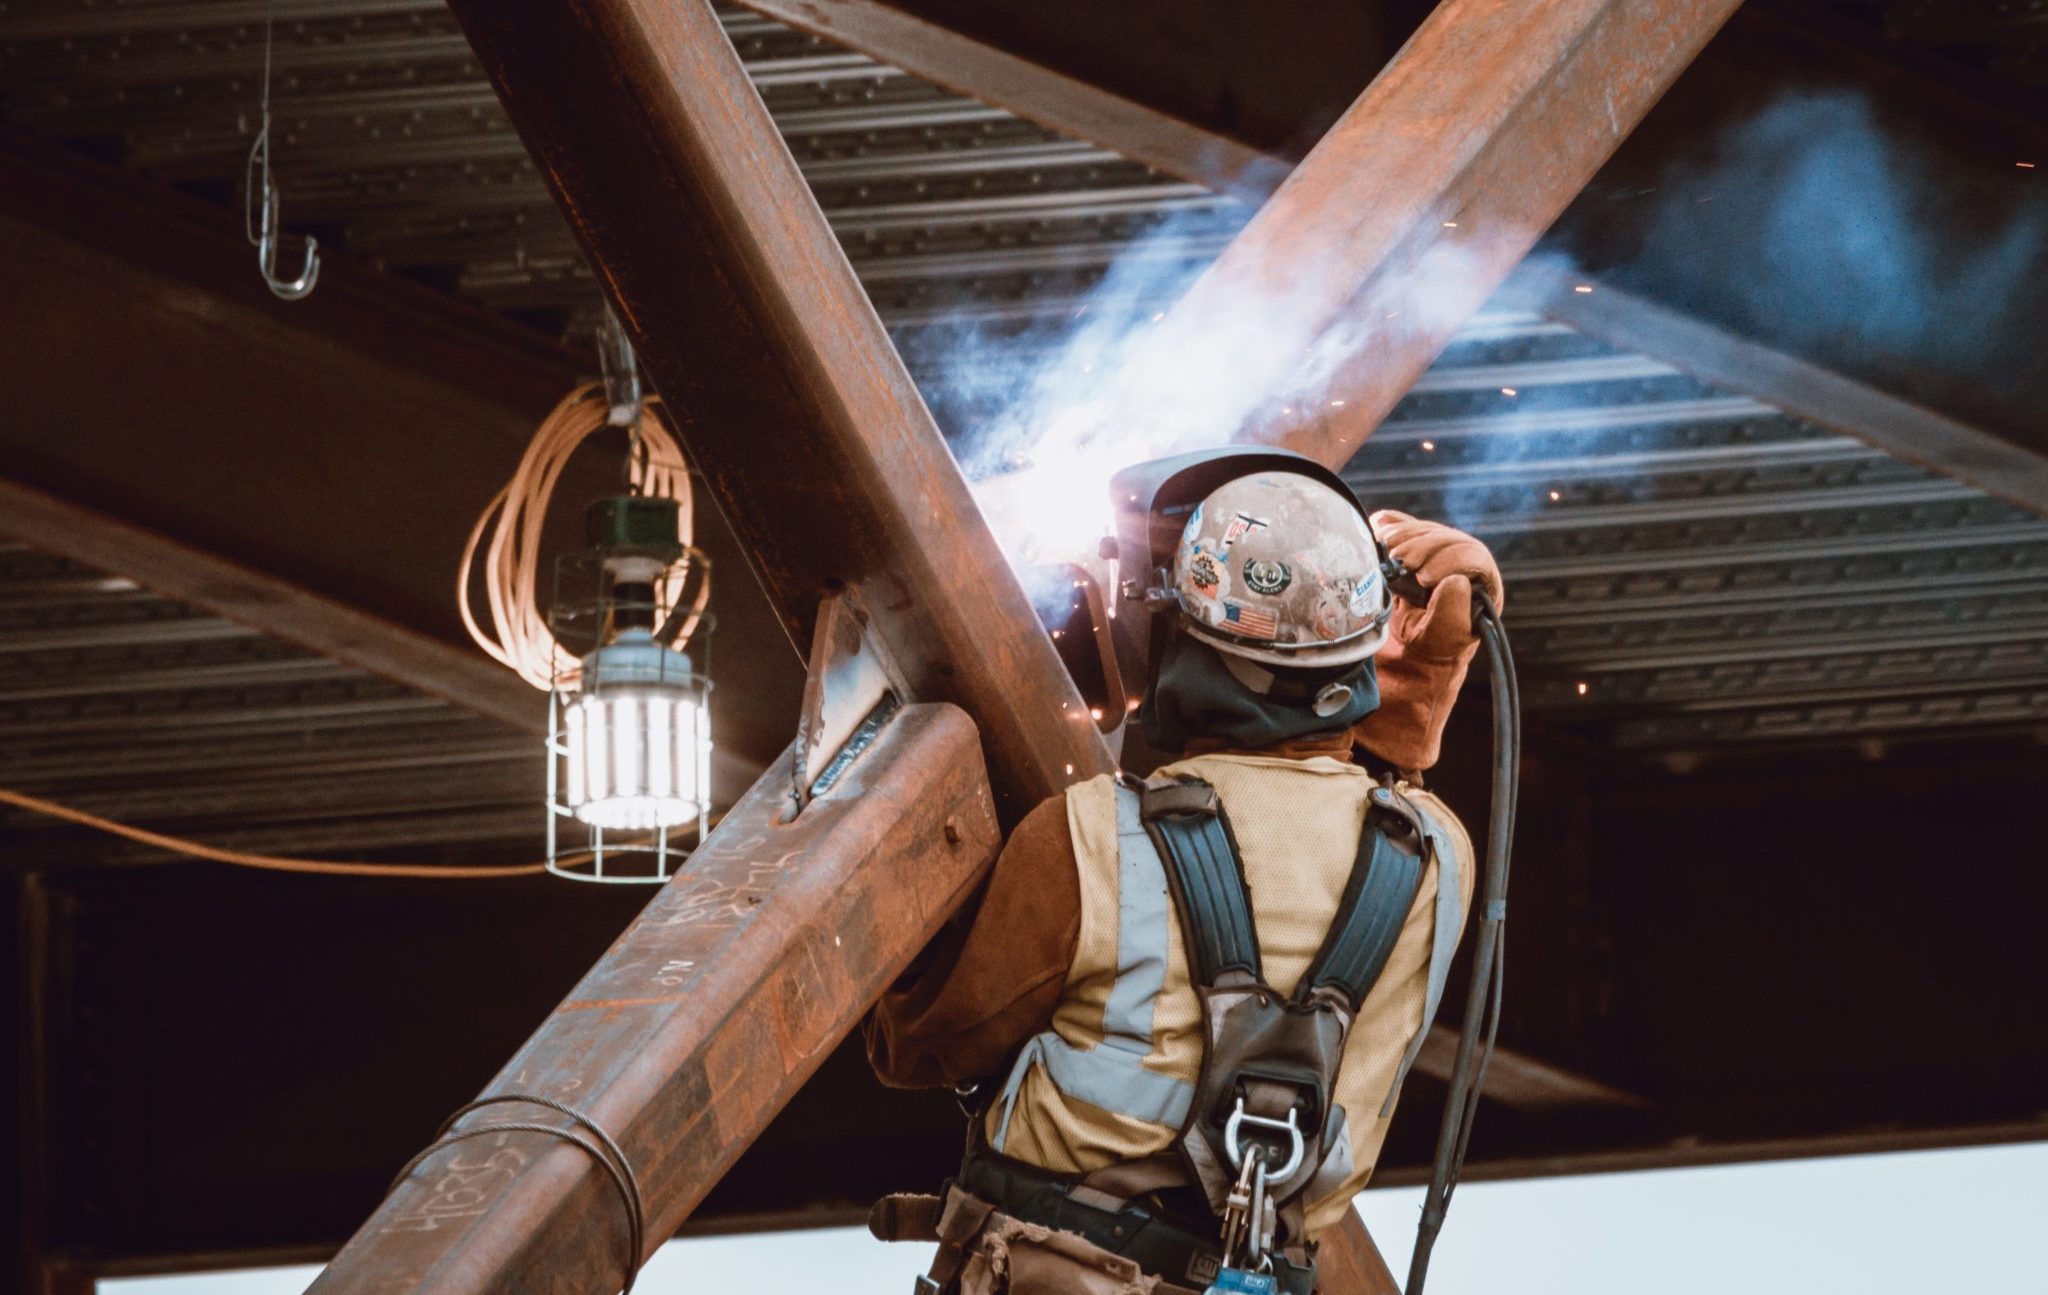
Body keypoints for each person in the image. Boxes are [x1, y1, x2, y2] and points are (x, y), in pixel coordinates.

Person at [867, 451, 1503, 1295]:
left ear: (1179, 635)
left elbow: (918, 1044)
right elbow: (1360, 792)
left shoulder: (1090, 835)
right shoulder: (1436, 857)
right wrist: (1409, 676)